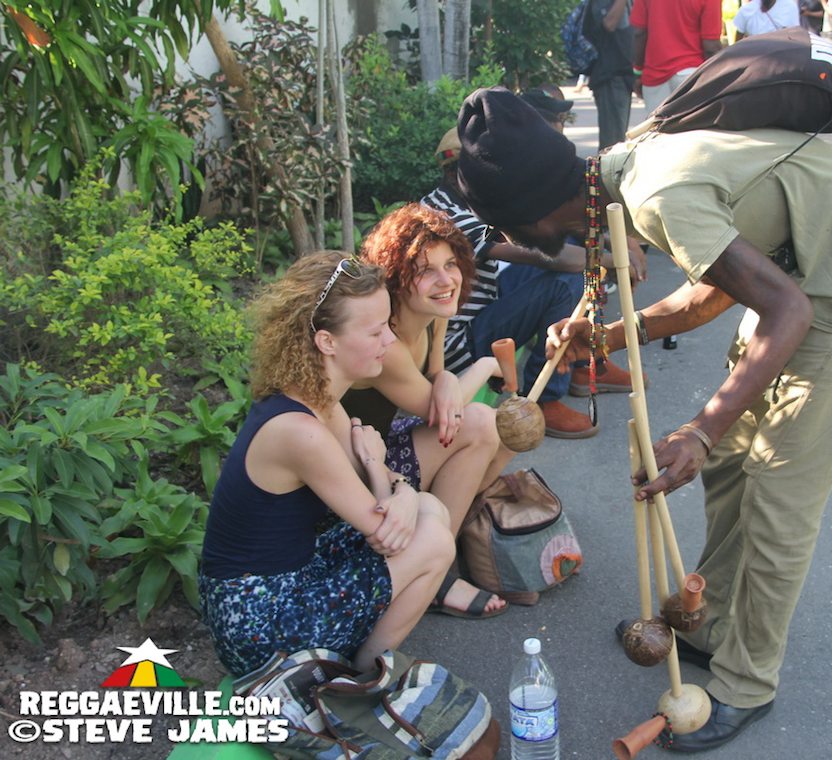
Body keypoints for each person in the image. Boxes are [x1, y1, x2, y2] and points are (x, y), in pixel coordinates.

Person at [454, 87, 832, 752]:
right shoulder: (621, 171)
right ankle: (712, 625)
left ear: (531, 213)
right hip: (795, 285)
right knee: (731, 468)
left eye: (507, 227)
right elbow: (720, 285)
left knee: (777, 505)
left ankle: (747, 683)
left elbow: (790, 310)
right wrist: (612, 335)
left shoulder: (653, 192)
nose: (514, 241)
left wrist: (700, 428)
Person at [199, 252, 453, 676]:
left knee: (433, 512)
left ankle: (364, 665)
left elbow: (387, 484)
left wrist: (389, 479)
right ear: (326, 341)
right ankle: (363, 679)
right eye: (375, 332)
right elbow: (386, 535)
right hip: (258, 623)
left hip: (291, 578)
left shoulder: (318, 400)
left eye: (388, 327)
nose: (390, 343)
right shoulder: (301, 432)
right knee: (434, 540)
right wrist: (398, 491)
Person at [343, 203, 510, 619]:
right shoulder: (388, 342)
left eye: (451, 264)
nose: (445, 280)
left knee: (496, 428)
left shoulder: (432, 317)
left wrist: (451, 379)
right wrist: (485, 366)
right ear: (397, 277)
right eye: (425, 270)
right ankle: (433, 568)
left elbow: (438, 380)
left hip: (384, 445)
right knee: (480, 423)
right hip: (353, 469)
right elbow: (438, 413)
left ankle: (443, 549)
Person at [422, 127, 643, 439]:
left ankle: (582, 364)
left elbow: (549, 222)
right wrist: (612, 259)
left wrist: (615, 237)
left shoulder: (469, 200)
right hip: (461, 345)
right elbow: (543, 255)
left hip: (485, 304)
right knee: (565, 279)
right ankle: (544, 398)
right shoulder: (450, 217)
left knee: (565, 242)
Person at [630, 0, 723, 113]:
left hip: (655, 76)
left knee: (656, 128)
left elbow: (639, 33)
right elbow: (711, 46)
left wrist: (638, 72)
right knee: (692, 129)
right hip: (692, 75)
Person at [583, 0, 636, 150]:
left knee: (617, 140)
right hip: (610, 76)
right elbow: (609, 23)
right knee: (613, 145)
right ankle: (606, 173)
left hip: (622, 75)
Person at [732, 0, 799, 39]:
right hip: (755, 59)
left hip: (781, 59)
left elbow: (795, 37)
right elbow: (737, 42)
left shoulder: (790, 7)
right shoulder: (746, 10)